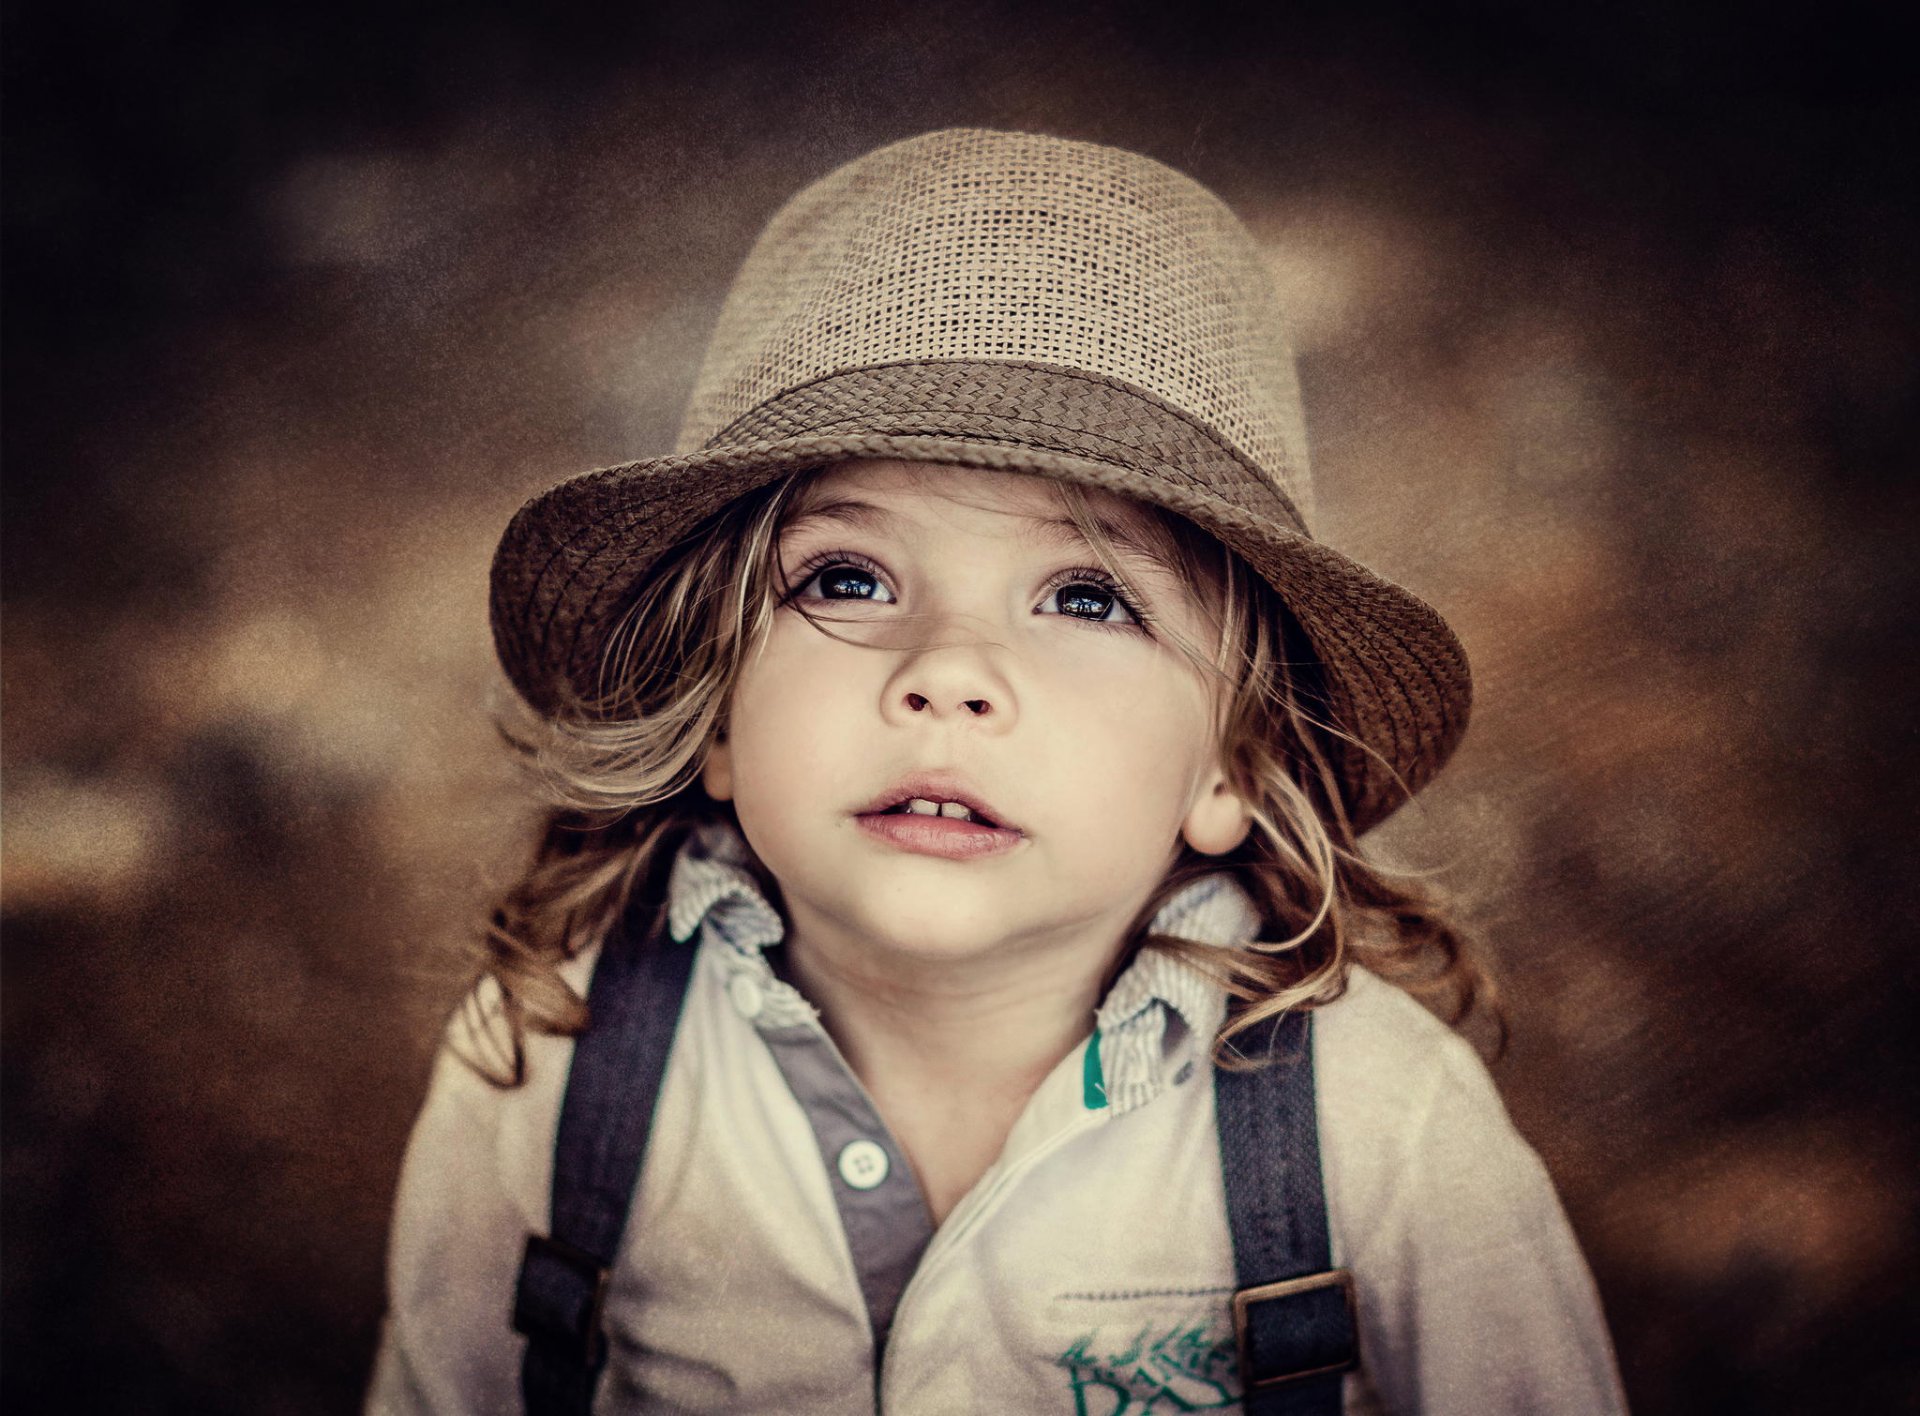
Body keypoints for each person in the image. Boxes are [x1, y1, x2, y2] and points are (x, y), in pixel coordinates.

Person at [367, 128, 1629, 1414]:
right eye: (846, 579)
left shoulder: (1383, 1127)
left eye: (1087, 598)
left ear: (1233, 764)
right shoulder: (546, 1061)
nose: (950, 671)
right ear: (717, 716)